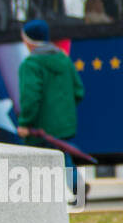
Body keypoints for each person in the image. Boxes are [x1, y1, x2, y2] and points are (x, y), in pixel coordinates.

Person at [16, 18, 85, 200]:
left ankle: (39, 197)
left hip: (39, 126)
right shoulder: (63, 59)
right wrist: (63, 111)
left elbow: (30, 97)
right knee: (63, 157)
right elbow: (79, 91)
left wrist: (25, 123)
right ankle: (77, 188)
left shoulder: (30, 64)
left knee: (36, 160)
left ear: (29, 40)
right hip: (65, 124)